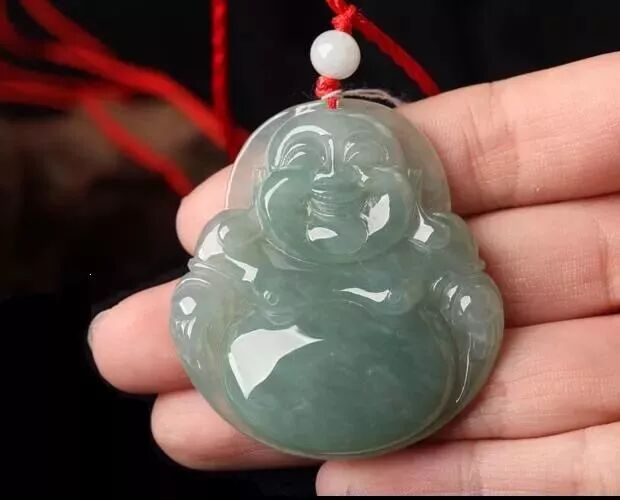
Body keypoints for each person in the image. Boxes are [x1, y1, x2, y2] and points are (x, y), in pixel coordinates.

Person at [88, 52, 620, 495]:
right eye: (305, 158)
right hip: (271, 392)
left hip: (406, 392)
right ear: (267, 179)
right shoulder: (241, 245)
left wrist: (465, 305)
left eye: (364, 158)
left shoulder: (428, 247)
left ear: (409, 183)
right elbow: (200, 307)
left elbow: (471, 314)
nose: (335, 182)